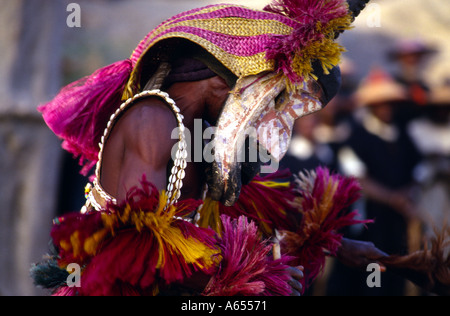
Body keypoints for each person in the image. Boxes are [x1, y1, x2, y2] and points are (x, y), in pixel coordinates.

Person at [31, 0, 387, 296]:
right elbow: (137, 252)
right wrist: (256, 277)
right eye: (277, 99)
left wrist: (336, 246)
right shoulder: (152, 120)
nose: (276, 122)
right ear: (235, 80)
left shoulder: (202, 138)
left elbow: (249, 215)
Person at [331, 67, 423, 295]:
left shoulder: (403, 136)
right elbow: (357, 177)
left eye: (391, 103)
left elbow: (418, 171)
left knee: (394, 277)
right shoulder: (355, 136)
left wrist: (406, 195)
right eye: (382, 103)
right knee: (368, 279)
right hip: (367, 223)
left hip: (397, 223)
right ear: (371, 106)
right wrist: (394, 198)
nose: (387, 108)